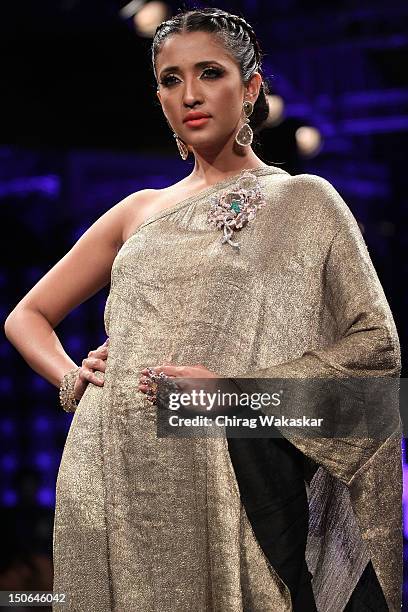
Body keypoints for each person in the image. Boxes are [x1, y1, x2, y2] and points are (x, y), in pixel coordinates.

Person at [4, 7, 402, 612]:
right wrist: (72, 380)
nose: (188, 94)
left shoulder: (305, 200)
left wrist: (234, 393)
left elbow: (375, 347)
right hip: (111, 462)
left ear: (251, 88)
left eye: (209, 72)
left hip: (227, 464)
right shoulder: (138, 209)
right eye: (170, 79)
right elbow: (25, 315)